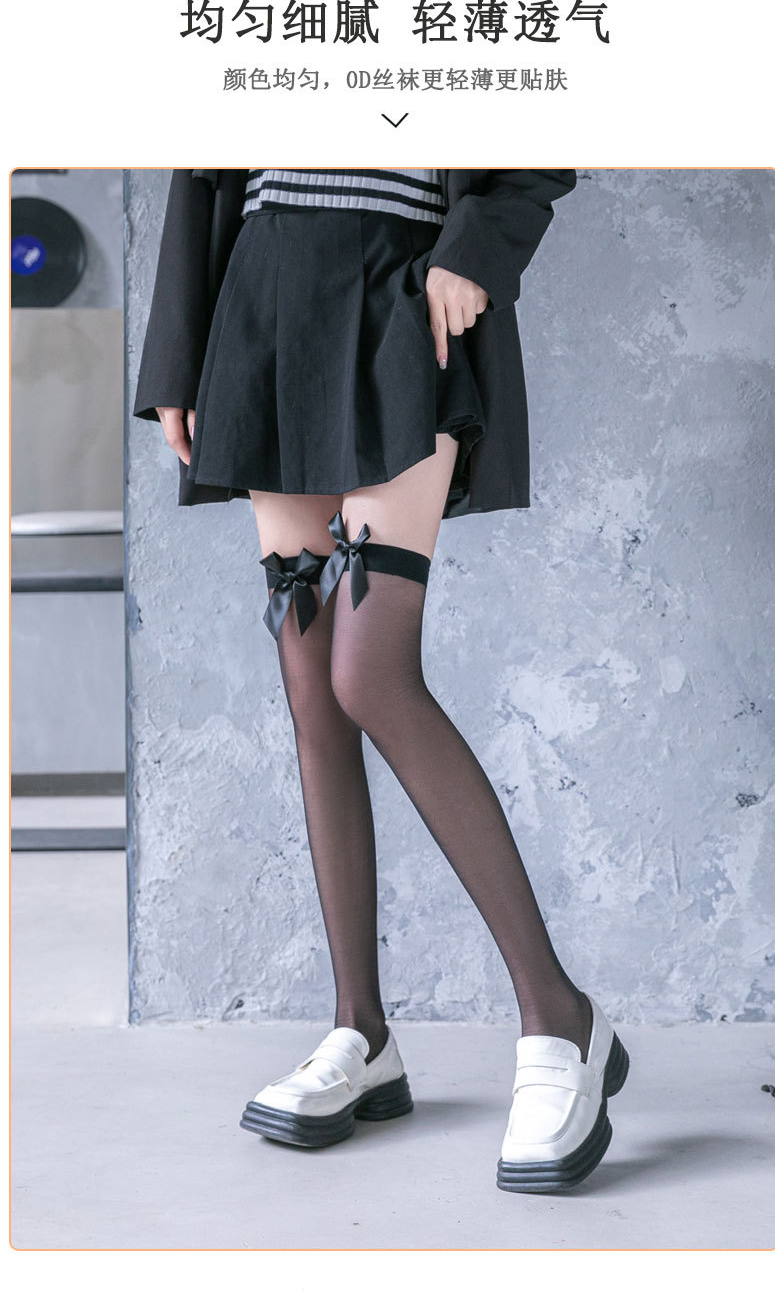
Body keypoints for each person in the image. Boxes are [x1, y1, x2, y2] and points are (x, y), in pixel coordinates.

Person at [133, 168, 629, 1193]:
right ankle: (361, 1030)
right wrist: (178, 355)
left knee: (369, 672)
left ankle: (560, 1016)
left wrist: (475, 251)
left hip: (405, 279)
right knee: (312, 681)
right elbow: (199, 151)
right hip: (264, 288)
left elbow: (547, 124)